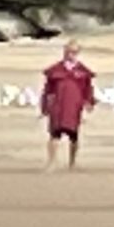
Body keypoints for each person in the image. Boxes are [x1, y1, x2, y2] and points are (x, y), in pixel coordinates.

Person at [40, 40, 95, 170]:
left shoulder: (82, 71)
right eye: (69, 51)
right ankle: (52, 161)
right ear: (64, 52)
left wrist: (89, 102)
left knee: (74, 136)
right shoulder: (55, 70)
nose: (71, 54)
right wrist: (44, 107)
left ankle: (72, 163)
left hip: (74, 108)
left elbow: (88, 88)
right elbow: (47, 90)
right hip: (58, 107)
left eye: (74, 52)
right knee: (54, 135)